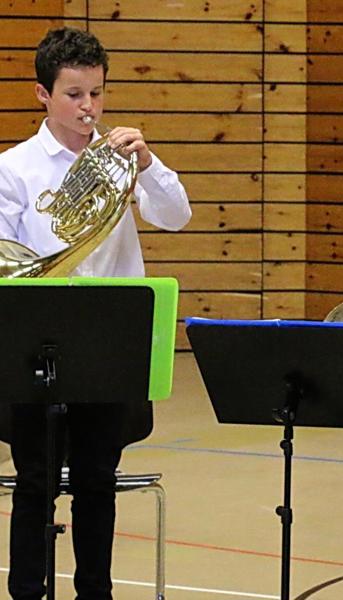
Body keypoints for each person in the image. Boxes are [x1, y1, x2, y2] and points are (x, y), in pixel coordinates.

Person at [0, 27, 191, 600]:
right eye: (75, 95)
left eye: (97, 95)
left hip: (107, 340)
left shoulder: (121, 161)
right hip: (37, 337)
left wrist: (150, 164)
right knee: (34, 482)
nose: (89, 108)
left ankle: (95, 593)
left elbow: (175, 216)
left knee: (95, 482)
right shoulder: (15, 168)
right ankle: (28, 591)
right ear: (43, 94)